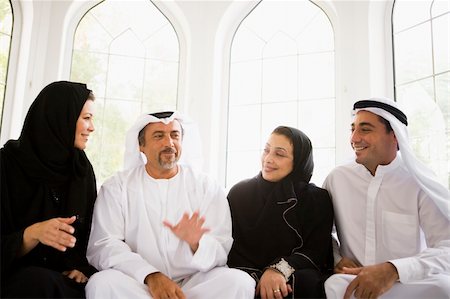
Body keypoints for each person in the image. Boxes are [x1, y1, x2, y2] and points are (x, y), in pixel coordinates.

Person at [85, 111, 255, 299]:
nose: (169, 143)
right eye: (159, 136)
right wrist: (150, 275)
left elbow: (221, 247)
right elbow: (104, 244)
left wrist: (197, 243)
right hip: (140, 284)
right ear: (141, 146)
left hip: (194, 283)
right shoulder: (117, 186)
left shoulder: (206, 186)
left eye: (175, 135)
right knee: (102, 284)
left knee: (239, 282)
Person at [323, 97, 450, 299]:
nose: (354, 138)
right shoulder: (337, 179)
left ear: (395, 136)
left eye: (365, 129)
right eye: (352, 129)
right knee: (335, 286)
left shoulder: (417, 184)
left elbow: (447, 247)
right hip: (354, 282)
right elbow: (320, 232)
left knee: (444, 288)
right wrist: (337, 258)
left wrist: (393, 270)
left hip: (403, 284)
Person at [1, 81, 97, 298]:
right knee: (36, 282)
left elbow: (88, 239)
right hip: (12, 277)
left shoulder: (81, 169)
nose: (92, 127)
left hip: (60, 280)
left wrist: (79, 268)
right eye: (86, 118)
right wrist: (31, 234)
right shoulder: (6, 166)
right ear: (59, 119)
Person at [227, 126, 334, 299]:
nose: (268, 159)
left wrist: (279, 270)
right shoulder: (240, 193)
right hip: (244, 274)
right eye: (266, 150)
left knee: (305, 281)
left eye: (280, 154)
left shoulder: (315, 198)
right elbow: (230, 246)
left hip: (293, 272)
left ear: (298, 160)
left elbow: (316, 251)